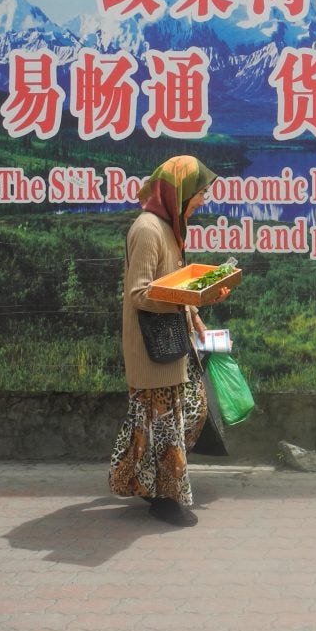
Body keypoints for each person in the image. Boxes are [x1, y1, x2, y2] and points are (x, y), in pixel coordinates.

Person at [108, 155, 227, 527]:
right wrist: (192, 298)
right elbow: (140, 293)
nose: (205, 198)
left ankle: (140, 478)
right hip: (151, 347)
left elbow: (174, 282)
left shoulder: (171, 227)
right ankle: (165, 498)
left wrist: (197, 307)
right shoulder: (148, 229)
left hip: (175, 340)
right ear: (180, 192)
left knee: (189, 411)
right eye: (201, 191)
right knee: (163, 425)